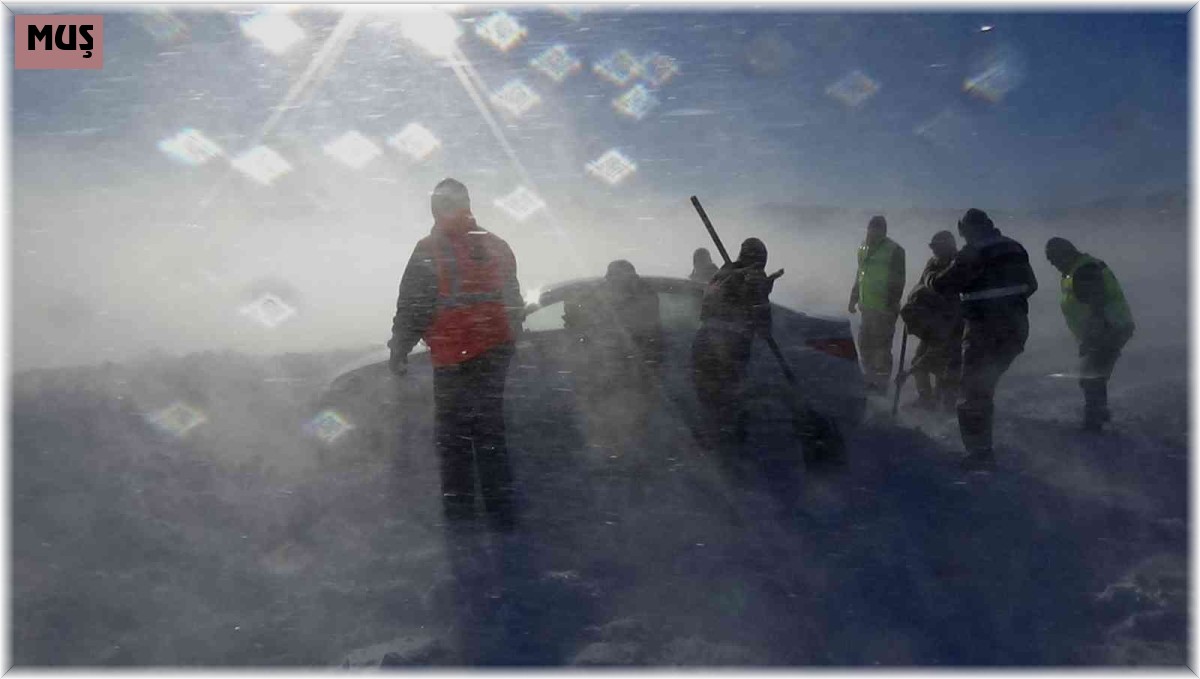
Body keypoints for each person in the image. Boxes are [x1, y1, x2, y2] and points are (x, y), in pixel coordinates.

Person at [387, 178, 525, 531]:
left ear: (435, 208)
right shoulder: (496, 245)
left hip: (454, 358)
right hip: (493, 354)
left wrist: (400, 349)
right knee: (490, 433)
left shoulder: (429, 249)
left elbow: (413, 306)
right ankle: (501, 512)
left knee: (454, 437)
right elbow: (513, 303)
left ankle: (461, 513)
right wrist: (508, 342)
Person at [930, 208, 1038, 470]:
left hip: (984, 329)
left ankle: (979, 454)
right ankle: (982, 444)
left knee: (972, 390)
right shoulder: (1014, 247)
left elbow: (944, 285)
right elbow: (1031, 285)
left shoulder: (972, 251)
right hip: (1016, 328)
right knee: (984, 385)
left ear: (968, 229)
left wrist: (932, 276)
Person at [692, 238, 776, 447]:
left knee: (711, 398)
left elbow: (709, 305)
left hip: (704, 344)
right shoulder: (750, 277)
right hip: (729, 348)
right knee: (728, 399)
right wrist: (762, 292)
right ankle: (725, 445)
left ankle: (711, 441)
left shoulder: (722, 274)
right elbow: (761, 315)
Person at [1045, 237, 1135, 431]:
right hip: (1111, 327)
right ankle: (1099, 413)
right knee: (1094, 373)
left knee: (1090, 375)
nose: (1053, 265)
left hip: (1109, 328)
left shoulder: (1083, 271)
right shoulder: (1078, 269)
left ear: (1064, 253)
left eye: (1054, 259)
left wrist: (1092, 338)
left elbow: (1097, 305)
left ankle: (1094, 421)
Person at [900, 230, 963, 411]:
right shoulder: (933, 264)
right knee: (919, 361)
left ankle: (946, 407)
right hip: (932, 319)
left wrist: (906, 374)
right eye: (932, 247)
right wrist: (912, 303)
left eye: (937, 247)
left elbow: (953, 296)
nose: (934, 251)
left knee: (945, 368)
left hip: (953, 323)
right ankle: (926, 399)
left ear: (948, 247)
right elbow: (921, 284)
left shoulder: (957, 264)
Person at [848, 215, 906, 393]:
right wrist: (853, 297)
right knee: (865, 345)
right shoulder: (862, 248)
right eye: (870, 228)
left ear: (884, 231)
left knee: (881, 350)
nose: (872, 232)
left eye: (877, 229)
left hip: (885, 310)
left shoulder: (894, 250)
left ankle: (881, 386)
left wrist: (892, 305)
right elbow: (860, 274)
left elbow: (899, 280)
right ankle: (869, 379)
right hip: (867, 308)